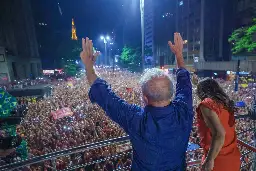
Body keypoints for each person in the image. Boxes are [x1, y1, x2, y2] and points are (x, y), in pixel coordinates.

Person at [80, 33, 193, 170]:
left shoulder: (136, 119)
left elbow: (105, 96)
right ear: (171, 94)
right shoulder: (183, 111)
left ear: (145, 98)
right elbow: (185, 82)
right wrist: (179, 55)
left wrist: (89, 66)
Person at [194, 76, 241, 171]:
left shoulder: (207, 104)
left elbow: (219, 134)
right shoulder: (224, 103)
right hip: (232, 157)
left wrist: (209, 160)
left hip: (218, 159)